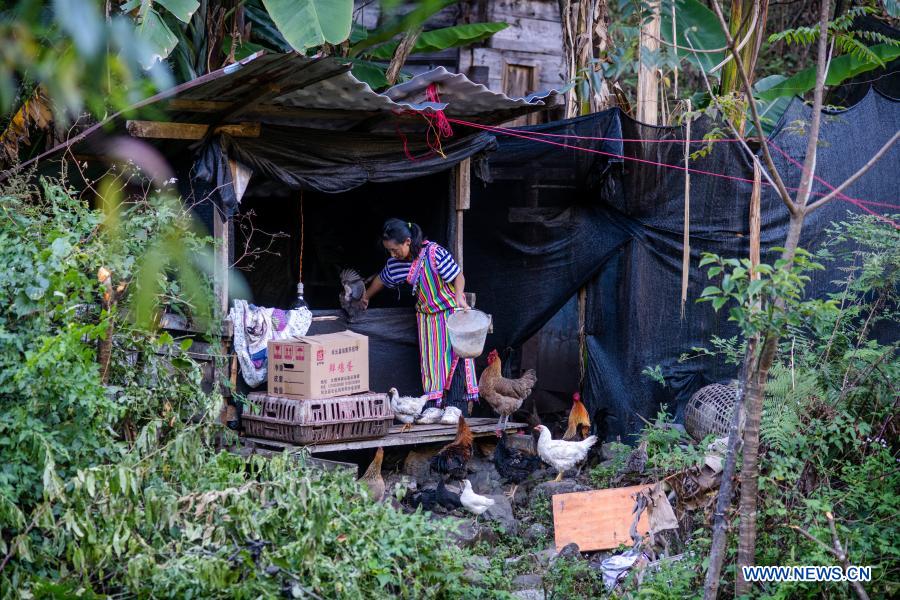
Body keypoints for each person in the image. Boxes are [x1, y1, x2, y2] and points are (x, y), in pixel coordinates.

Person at [364, 219, 478, 414]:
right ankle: (433, 407)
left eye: (394, 250)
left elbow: (458, 276)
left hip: (450, 315)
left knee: (455, 359)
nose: (392, 254)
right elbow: (381, 279)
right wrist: (365, 297)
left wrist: (459, 295)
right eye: (389, 251)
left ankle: (455, 407)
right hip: (427, 320)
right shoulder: (397, 264)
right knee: (432, 364)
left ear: (407, 242)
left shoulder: (434, 253)